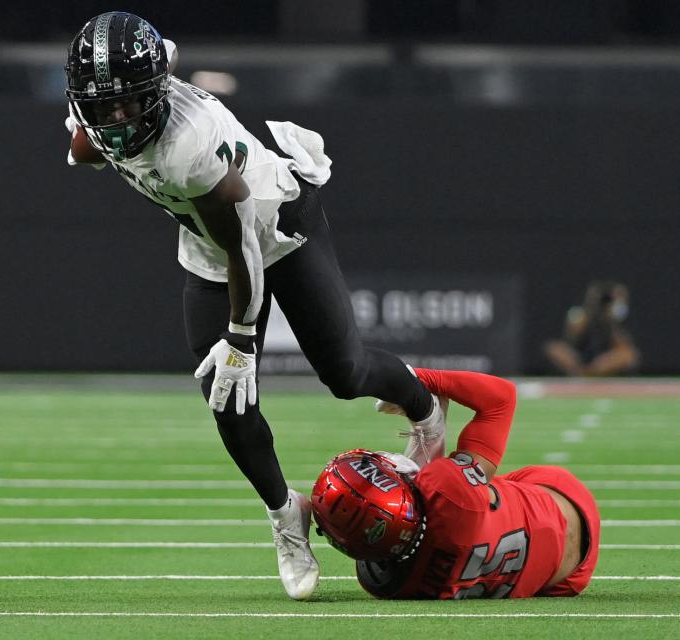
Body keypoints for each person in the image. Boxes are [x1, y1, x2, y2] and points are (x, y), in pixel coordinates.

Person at [63, 12, 444, 600]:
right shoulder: (105, 113)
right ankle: (285, 514)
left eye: (127, 105)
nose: (115, 120)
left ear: (156, 94)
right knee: (225, 396)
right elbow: (141, 75)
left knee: (344, 373)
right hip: (208, 249)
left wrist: (242, 338)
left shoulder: (186, 150)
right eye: (102, 106)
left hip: (276, 226)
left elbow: (243, 244)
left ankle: (424, 408)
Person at [311, 368, 600, 599]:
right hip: (564, 501)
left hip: (561, 578)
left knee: (477, 496)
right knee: (481, 488)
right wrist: (420, 379)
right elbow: (501, 398)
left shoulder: (385, 584)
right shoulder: (446, 489)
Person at [544, 280, 640, 376]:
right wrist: (591, 308)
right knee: (554, 348)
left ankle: (591, 372)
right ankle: (582, 372)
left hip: (603, 358)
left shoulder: (616, 315)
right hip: (580, 357)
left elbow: (623, 344)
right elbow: (572, 336)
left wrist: (610, 318)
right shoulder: (579, 312)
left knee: (629, 355)